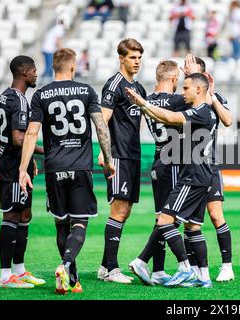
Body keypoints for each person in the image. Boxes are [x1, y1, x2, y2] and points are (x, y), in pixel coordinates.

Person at [19, 48, 115, 294]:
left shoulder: (41, 95)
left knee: (61, 225)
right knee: (79, 224)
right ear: (73, 67)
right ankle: (67, 264)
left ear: (54, 67)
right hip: (80, 167)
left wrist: (23, 168)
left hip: (54, 168)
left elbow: (31, 133)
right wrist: (108, 158)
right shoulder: (86, 91)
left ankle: (71, 280)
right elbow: (101, 128)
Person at [127, 73, 216, 288]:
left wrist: (143, 102)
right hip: (200, 174)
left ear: (198, 90)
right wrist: (146, 107)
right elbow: (163, 118)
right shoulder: (200, 112)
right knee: (193, 227)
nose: (182, 92)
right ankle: (203, 277)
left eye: (186, 88)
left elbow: (169, 118)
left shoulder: (201, 112)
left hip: (192, 176)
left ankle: (184, 266)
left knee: (165, 221)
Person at [129, 60, 189, 286]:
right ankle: (142, 260)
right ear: (174, 79)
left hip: (157, 162)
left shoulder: (149, 101)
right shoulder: (178, 101)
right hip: (173, 162)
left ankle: (159, 270)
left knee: (161, 217)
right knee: (171, 219)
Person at [97, 38, 147, 284]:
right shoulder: (113, 84)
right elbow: (102, 120)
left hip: (134, 156)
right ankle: (113, 270)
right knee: (118, 208)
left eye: (139, 57)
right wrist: (104, 153)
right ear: (121, 58)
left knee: (125, 211)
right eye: (132, 57)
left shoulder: (139, 88)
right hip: (118, 154)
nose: (137, 61)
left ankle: (105, 265)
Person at [183, 55, 235, 282]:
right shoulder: (184, 98)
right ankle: (195, 269)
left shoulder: (216, 97)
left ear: (204, 75)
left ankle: (227, 266)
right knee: (190, 221)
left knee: (215, 215)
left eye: (191, 72)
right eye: (185, 73)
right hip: (186, 166)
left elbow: (228, 120)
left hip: (210, 165)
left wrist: (212, 97)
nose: (187, 75)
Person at [0, 56, 45, 289]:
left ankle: (19, 270)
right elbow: (18, 138)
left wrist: (30, 159)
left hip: (17, 164)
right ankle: (6, 276)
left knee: (25, 215)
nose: (37, 74)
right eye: (34, 70)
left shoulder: (6, 95)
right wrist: (47, 150)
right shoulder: (19, 100)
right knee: (12, 217)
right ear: (25, 72)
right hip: (12, 167)